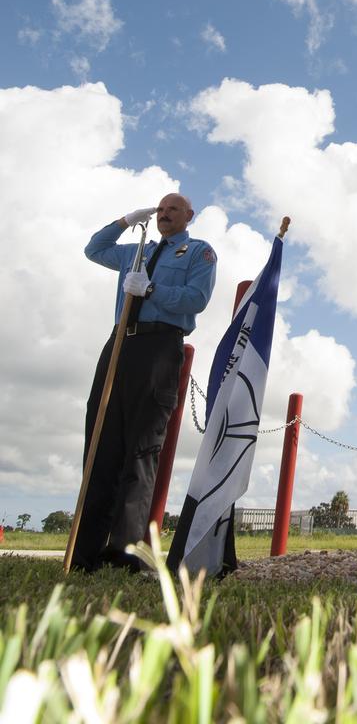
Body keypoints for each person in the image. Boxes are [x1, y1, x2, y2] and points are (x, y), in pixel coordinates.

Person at [71, 194, 217, 572]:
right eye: (160, 209)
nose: (164, 214)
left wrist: (151, 290)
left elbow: (196, 300)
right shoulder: (135, 252)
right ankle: (84, 553)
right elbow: (93, 249)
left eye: (173, 209)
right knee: (101, 444)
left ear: (189, 215)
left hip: (158, 345)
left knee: (140, 450)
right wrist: (123, 220)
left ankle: (125, 554)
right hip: (120, 343)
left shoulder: (197, 252)